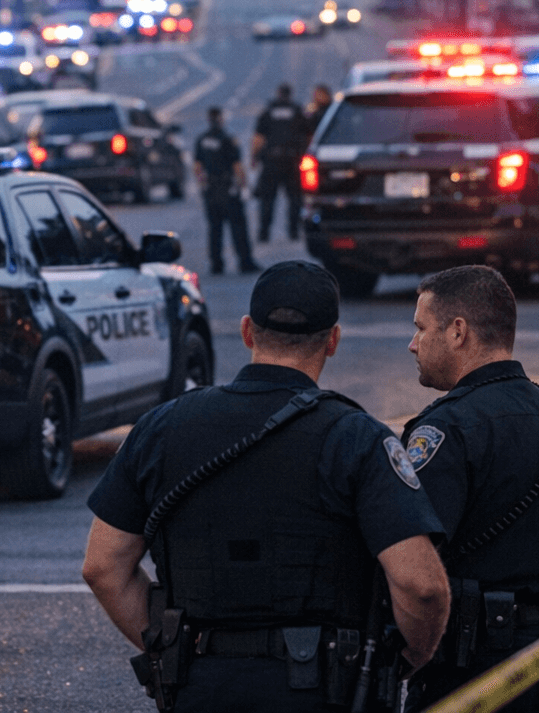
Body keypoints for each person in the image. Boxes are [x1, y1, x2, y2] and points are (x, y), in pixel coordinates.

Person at [82, 261, 450, 712]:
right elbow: (421, 586)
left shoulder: (160, 428)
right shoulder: (356, 438)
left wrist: (172, 650)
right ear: (332, 340)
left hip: (201, 686)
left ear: (247, 332)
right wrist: (406, 659)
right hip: (323, 691)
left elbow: (103, 567)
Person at [402, 266, 539, 713]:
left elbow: (415, 572)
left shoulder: (444, 430)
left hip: (476, 663)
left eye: (421, 328)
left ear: (458, 332)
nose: (413, 344)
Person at [192, 106, 259, 274]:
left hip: (211, 189)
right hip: (228, 189)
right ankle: (245, 261)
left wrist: (203, 185)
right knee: (238, 226)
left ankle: (216, 264)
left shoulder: (202, 140)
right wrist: (244, 186)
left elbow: (197, 167)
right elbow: (237, 166)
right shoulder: (228, 140)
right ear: (221, 119)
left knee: (215, 228)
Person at [250, 83, 306, 242]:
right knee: (295, 199)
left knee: (267, 199)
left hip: (271, 161)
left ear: (278, 94)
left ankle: (264, 233)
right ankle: (293, 231)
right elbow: (308, 136)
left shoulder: (268, 112)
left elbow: (258, 138)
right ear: (290, 94)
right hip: (292, 161)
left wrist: (254, 158)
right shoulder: (297, 111)